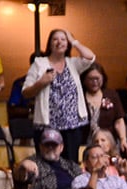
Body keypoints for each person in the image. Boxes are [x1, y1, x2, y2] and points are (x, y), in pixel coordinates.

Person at [23, 29, 95, 161]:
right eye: (55, 39)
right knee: (47, 163)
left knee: (71, 162)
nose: (59, 42)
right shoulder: (39, 63)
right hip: (47, 124)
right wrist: (41, 82)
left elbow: (90, 57)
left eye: (63, 39)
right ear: (50, 44)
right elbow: (26, 92)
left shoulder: (73, 63)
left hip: (72, 124)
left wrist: (74, 41)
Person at [79, 63, 127, 155]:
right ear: (84, 80)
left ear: (103, 78)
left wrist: (123, 140)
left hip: (108, 144)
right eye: (91, 79)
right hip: (85, 144)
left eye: (97, 78)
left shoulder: (111, 95)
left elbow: (119, 121)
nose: (94, 82)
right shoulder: (79, 97)